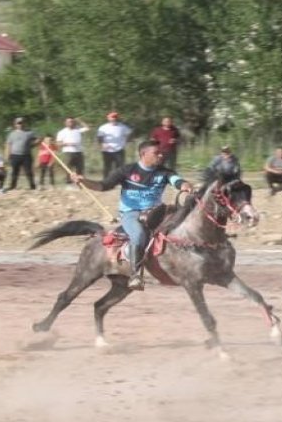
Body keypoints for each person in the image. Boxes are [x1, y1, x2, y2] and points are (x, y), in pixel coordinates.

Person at [72, 140, 194, 291]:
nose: (161, 155)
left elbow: (178, 181)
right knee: (138, 234)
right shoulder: (127, 171)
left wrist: (185, 186)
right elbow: (102, 185)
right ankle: (136, 275)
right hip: (131, 213)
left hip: (157, 212)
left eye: (161, 153)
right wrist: (84, 181)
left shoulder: (164, 172)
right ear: (144, 154)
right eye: (156, 153)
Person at [4, 117, 38, 192]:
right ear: (15, 124)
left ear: (24, 123)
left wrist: (37, 142)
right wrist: (7, 156)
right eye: (18, 123)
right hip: (15, 155)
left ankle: (32, 186)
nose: (20, 124)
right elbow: (8, 145)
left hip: (26, 155)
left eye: (22, 123)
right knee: (14, 172)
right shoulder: (12, 134)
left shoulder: (30, 133)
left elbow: (34, 143)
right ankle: (13, 186)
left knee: (29, 171)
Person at [96, 111, 132, 179]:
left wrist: (127, 141)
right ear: (108, 118)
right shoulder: (103, 127)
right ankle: (106, 181)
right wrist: (103, 144)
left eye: (115, 117)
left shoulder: (123, 127)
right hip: (107, 150)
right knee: (107, 166)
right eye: (112, 117)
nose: (114, 118)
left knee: (120, 167)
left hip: (119, 149)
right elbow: (99, 137)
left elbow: (129, 133)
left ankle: (118, 180)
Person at [56, 116, 89, 182]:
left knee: (80, 168)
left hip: (79, 152)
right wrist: (68, 144)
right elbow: (58, 143)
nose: (70, 123)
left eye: (72, 121)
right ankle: (68, 182)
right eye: (69, 121)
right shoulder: (62, 132)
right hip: (68, 152)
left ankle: (80, 183)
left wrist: (80, 121)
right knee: (68, 168)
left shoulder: (78, 130)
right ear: (65, 123)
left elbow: (87, 128)